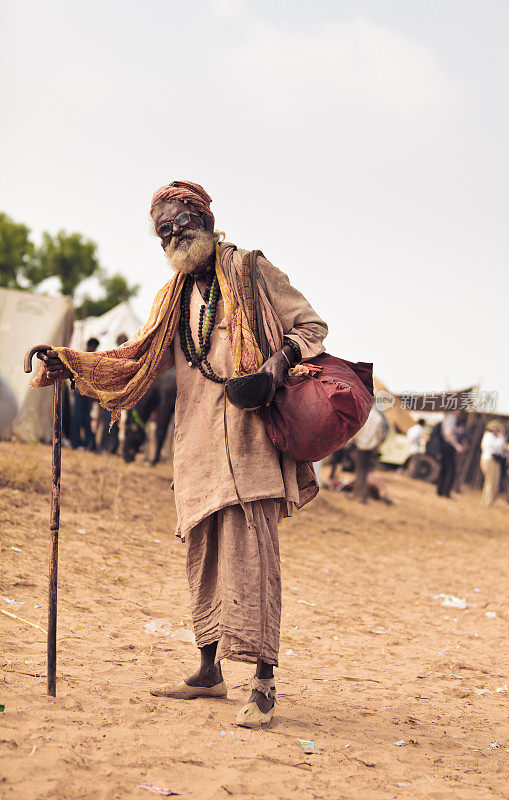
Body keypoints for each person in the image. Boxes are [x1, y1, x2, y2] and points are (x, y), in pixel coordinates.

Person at [32, 179, 328, 729]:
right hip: (195, 447)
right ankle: (208, 671)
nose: (171, 234)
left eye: (180, 222)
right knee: (205, 557)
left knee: (252, 559)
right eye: (162, 229)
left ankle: (262, 684)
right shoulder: (171, 298)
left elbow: (312, 327)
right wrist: (69, 363)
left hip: (250, 443)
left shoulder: (251, 271)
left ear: (205, 221)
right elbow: (135, 360)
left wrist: (275, 363)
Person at [351, 406, 387, 503]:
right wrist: (377, 444)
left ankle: (359, 493)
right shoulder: (378, 417)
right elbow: (380, 434)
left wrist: (352, 441)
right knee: (365, 471)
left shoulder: (363, 415)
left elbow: (357, 431)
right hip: (371, 447)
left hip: (360, 446)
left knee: (359, 470)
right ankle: (362, 493)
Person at [70, 337, 99, 450]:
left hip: (87, 394)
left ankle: (88, 443)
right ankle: (77, 442)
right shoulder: (82, 358)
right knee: (78, 418)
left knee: (86, 419)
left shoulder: (93, 359)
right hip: (80, 393)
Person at [436, 410, 464, 498]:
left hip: (445, 446)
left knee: (444, 469)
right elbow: (448, 434)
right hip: (448, 446)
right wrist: (456, 445)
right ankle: (445, 492)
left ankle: (441, 491)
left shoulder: (448, 418)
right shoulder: (451, 419)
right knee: (450, 470)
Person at [480, 420, 505, 506]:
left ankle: (485, 500)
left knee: (488, 481)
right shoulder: (490, 437)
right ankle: (488, 501)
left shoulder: (487, 436)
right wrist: (501, 437)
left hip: (485, 459)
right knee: (492, 481)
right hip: (491, 460)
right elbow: (499, 446)